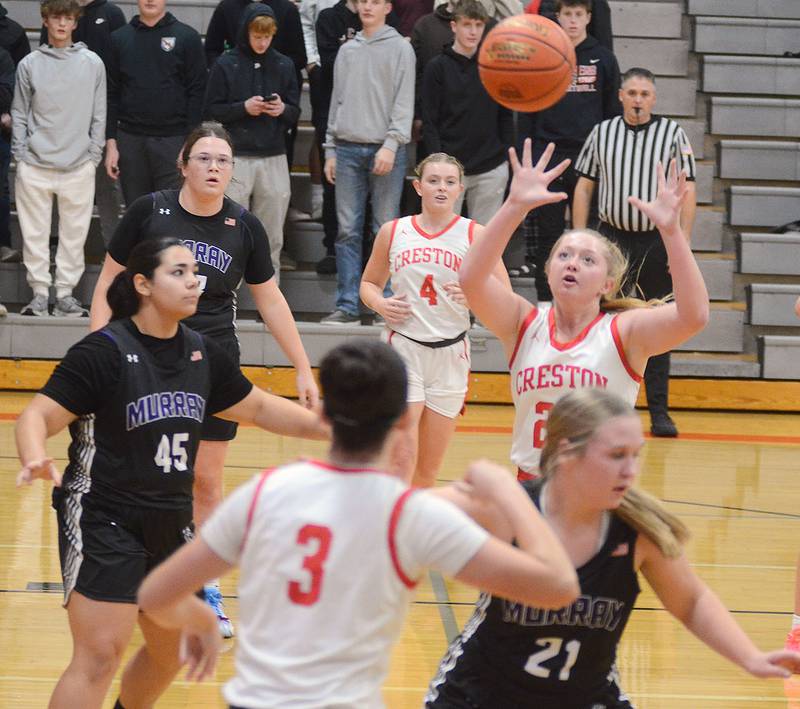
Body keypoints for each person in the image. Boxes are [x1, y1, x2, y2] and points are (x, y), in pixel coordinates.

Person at [136, 339, 580, 709]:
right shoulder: (410, 515)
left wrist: (199, 618)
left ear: (324, 415)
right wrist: (510, 492)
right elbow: (558, 586)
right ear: (405, 420)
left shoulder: (264, 492)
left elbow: (155, 595)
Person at [15, 236, 326, 709]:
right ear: (142, 283)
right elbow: (37, 415)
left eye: (194, 273)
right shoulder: (102, 351)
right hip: (104, 516)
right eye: (177, 272)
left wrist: (342, 434)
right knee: (100, 655)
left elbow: (260, 409)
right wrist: (34, 453)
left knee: (172, 651)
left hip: (171, 521)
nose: (192, 282)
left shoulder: (202, 353)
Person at [425, 387, 800, 708]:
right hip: (477, 696)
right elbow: (403, 510)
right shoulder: (508, 507)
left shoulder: (635, 530)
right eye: (617, 455)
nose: (631, 471)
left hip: (585, 697)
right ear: (568, 453)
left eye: (635, 455)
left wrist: (749, 658)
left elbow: (691, 600)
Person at [89, 121, 319, 637]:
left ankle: (202, 586)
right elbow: (108, 279)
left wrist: (303, 367)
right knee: (144, 474)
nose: (215, 168)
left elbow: (271, 299)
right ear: (184, 165)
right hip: (144, 356)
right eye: (205, 158)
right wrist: (100, 350)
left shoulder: (244, 226)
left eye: (223, 160)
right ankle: (138, 577)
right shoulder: (151, 210)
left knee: (206, 480)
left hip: (212, 363)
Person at [459, 139, 709, 481]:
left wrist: (671, 232)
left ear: (607, 283)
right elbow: (471, 278)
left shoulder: (623, 331)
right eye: (564, 255)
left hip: (598, 490)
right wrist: (514, 207)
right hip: (531, 486)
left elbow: (693, 316)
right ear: (548, 271)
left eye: (587, 259)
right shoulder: (524, 323)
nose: (572, 264)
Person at [361, 153, 509, 487]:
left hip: (451, 354)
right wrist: (380, 305)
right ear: (418, 186)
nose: (441, 188)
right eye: (433, 181)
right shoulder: (393, 231)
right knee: (401, 456)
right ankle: (387, 526)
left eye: (449, 182)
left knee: (428, 468)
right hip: (403, 349)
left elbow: (504, 294)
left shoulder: (476, 234)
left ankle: (412, 531)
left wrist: (475, 295)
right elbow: (369, 285)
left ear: (460, 190)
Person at [572, 67, 697, 438]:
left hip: (656, 240)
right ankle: (600, 407)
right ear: (621, 96)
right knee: (602, 322)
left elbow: (687, 191)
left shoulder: (672, 133)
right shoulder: (602, 132)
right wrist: (581, 238)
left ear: (653, 99)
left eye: (645, 93)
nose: (638, 99)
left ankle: (659, 412)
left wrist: (682, 246)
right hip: (612, 239)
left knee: (660, 322)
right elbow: (583, 187)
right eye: (632, 93)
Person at [516, 0, 620, 295]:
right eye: (567, 15)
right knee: (548, 237)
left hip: (588, 159)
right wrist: (528, 159)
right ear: (557, 17)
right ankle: (547, 302)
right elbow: (527, 111)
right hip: (548, 156)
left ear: (588, 17)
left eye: (578, 15)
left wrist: (605, 158)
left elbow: (612, 112)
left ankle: (588, 298)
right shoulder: (543, 55)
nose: (572, 21)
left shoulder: (604, 58)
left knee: (587, 234)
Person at [321, 0, 415, 325]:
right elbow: (337, 101)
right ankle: (347, 304)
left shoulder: (402, 49)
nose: (368, 7)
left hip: (386, 148)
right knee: (346, 231)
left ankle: (385, 303)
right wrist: (330, 148)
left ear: (388, 7)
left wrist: (391, 145)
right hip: (346, 148)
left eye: (375, 2)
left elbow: (405, 102)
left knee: (385, 229)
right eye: (363, 1)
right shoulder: (348, 50)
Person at [12, 0, 106, 318]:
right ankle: (39, 293)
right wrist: (21, 155)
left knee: (74, 234)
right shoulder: (29, 64)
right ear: (46, 21)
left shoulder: (93, 63)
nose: (62, 24)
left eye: (68, 18)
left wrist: (93, 156)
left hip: (78, 164)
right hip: (35, 164)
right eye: (56, 18)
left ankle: (65, 294)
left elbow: (99, 114)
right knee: (34, 233)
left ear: (75, 22)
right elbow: (20, 113)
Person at [204, 3, 300, 281]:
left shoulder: (284, 64)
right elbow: (211, 111)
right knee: (226, 236)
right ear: (246, 32)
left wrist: (282, 109)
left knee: (272, 237)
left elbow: (296, 112)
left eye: (267, 37)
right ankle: (220, 299)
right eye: (257, 36)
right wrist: (243, 108)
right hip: (236, 158)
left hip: (274, 157)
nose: (262, 42)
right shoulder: (226, 62)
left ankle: (269, 304)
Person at [41, 0, 126, 247]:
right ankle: (55, 242)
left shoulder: (111, 14)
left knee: (105, 186)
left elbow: (118, 71)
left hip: (101, 112)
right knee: (60, 182)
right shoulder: (59, 12)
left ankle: (113, 248)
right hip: (64, 117)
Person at [105, 0, 206, 206]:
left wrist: (190, 144)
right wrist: (111, 144)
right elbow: (111, 95)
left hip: (173, 140)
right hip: (131, 141)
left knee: (170, 213)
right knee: (137, 212)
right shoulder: (118, 39)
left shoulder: (187, 37)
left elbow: (197, 92)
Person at [421, 0, 511, 226]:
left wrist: (506, 160)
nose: (473, 31)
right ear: (454, 26)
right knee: (444, 239)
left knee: (484, 243)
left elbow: (506, 116)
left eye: (478, 25)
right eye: (467, 24)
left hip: (491, 166)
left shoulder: (495, 67)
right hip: (450, 169)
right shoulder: (437, 67)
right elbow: (430, 121)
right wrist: (438, 165)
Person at [0, 2, 30, 264]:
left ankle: (2, 243)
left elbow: (19, 85)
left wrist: (11, 114)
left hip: (2, 122)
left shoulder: (13, 32)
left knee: (0, 186)